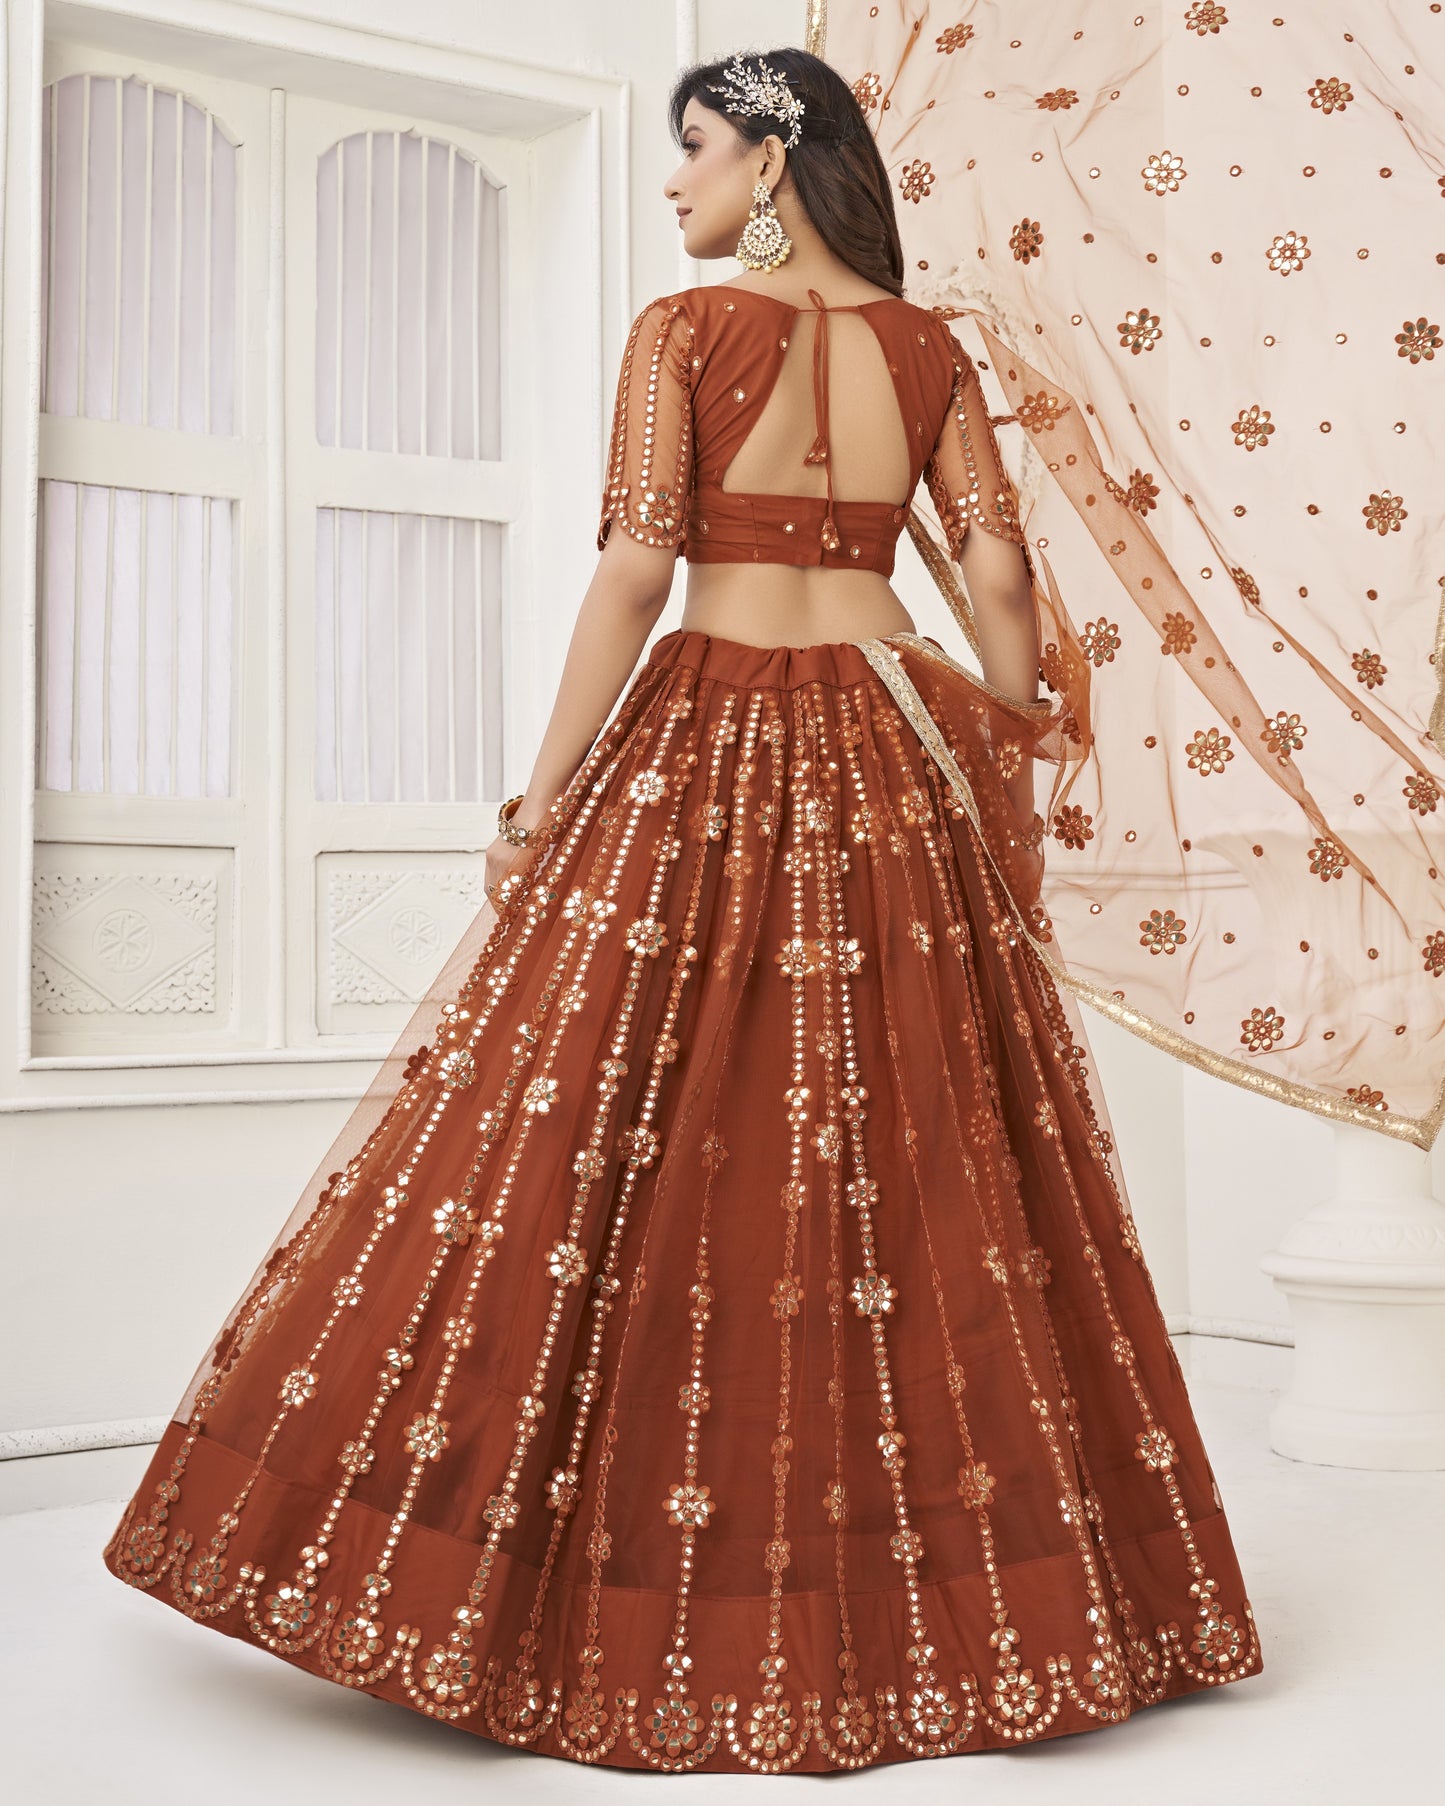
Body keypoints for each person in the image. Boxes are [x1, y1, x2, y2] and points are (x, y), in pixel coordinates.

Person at [101, 47, 1262, 1773]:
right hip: (887, 743)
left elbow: (640, 570)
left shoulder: (682, 334)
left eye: (695, 151)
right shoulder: (931, 352)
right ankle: (978, 1593)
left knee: (611, 1130)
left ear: (773, 160)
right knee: (913, 1148)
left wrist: (545, 789)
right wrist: (1005, 741)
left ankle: (558, 1572)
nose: (674, 186)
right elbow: (1001, 579)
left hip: (708, 734)